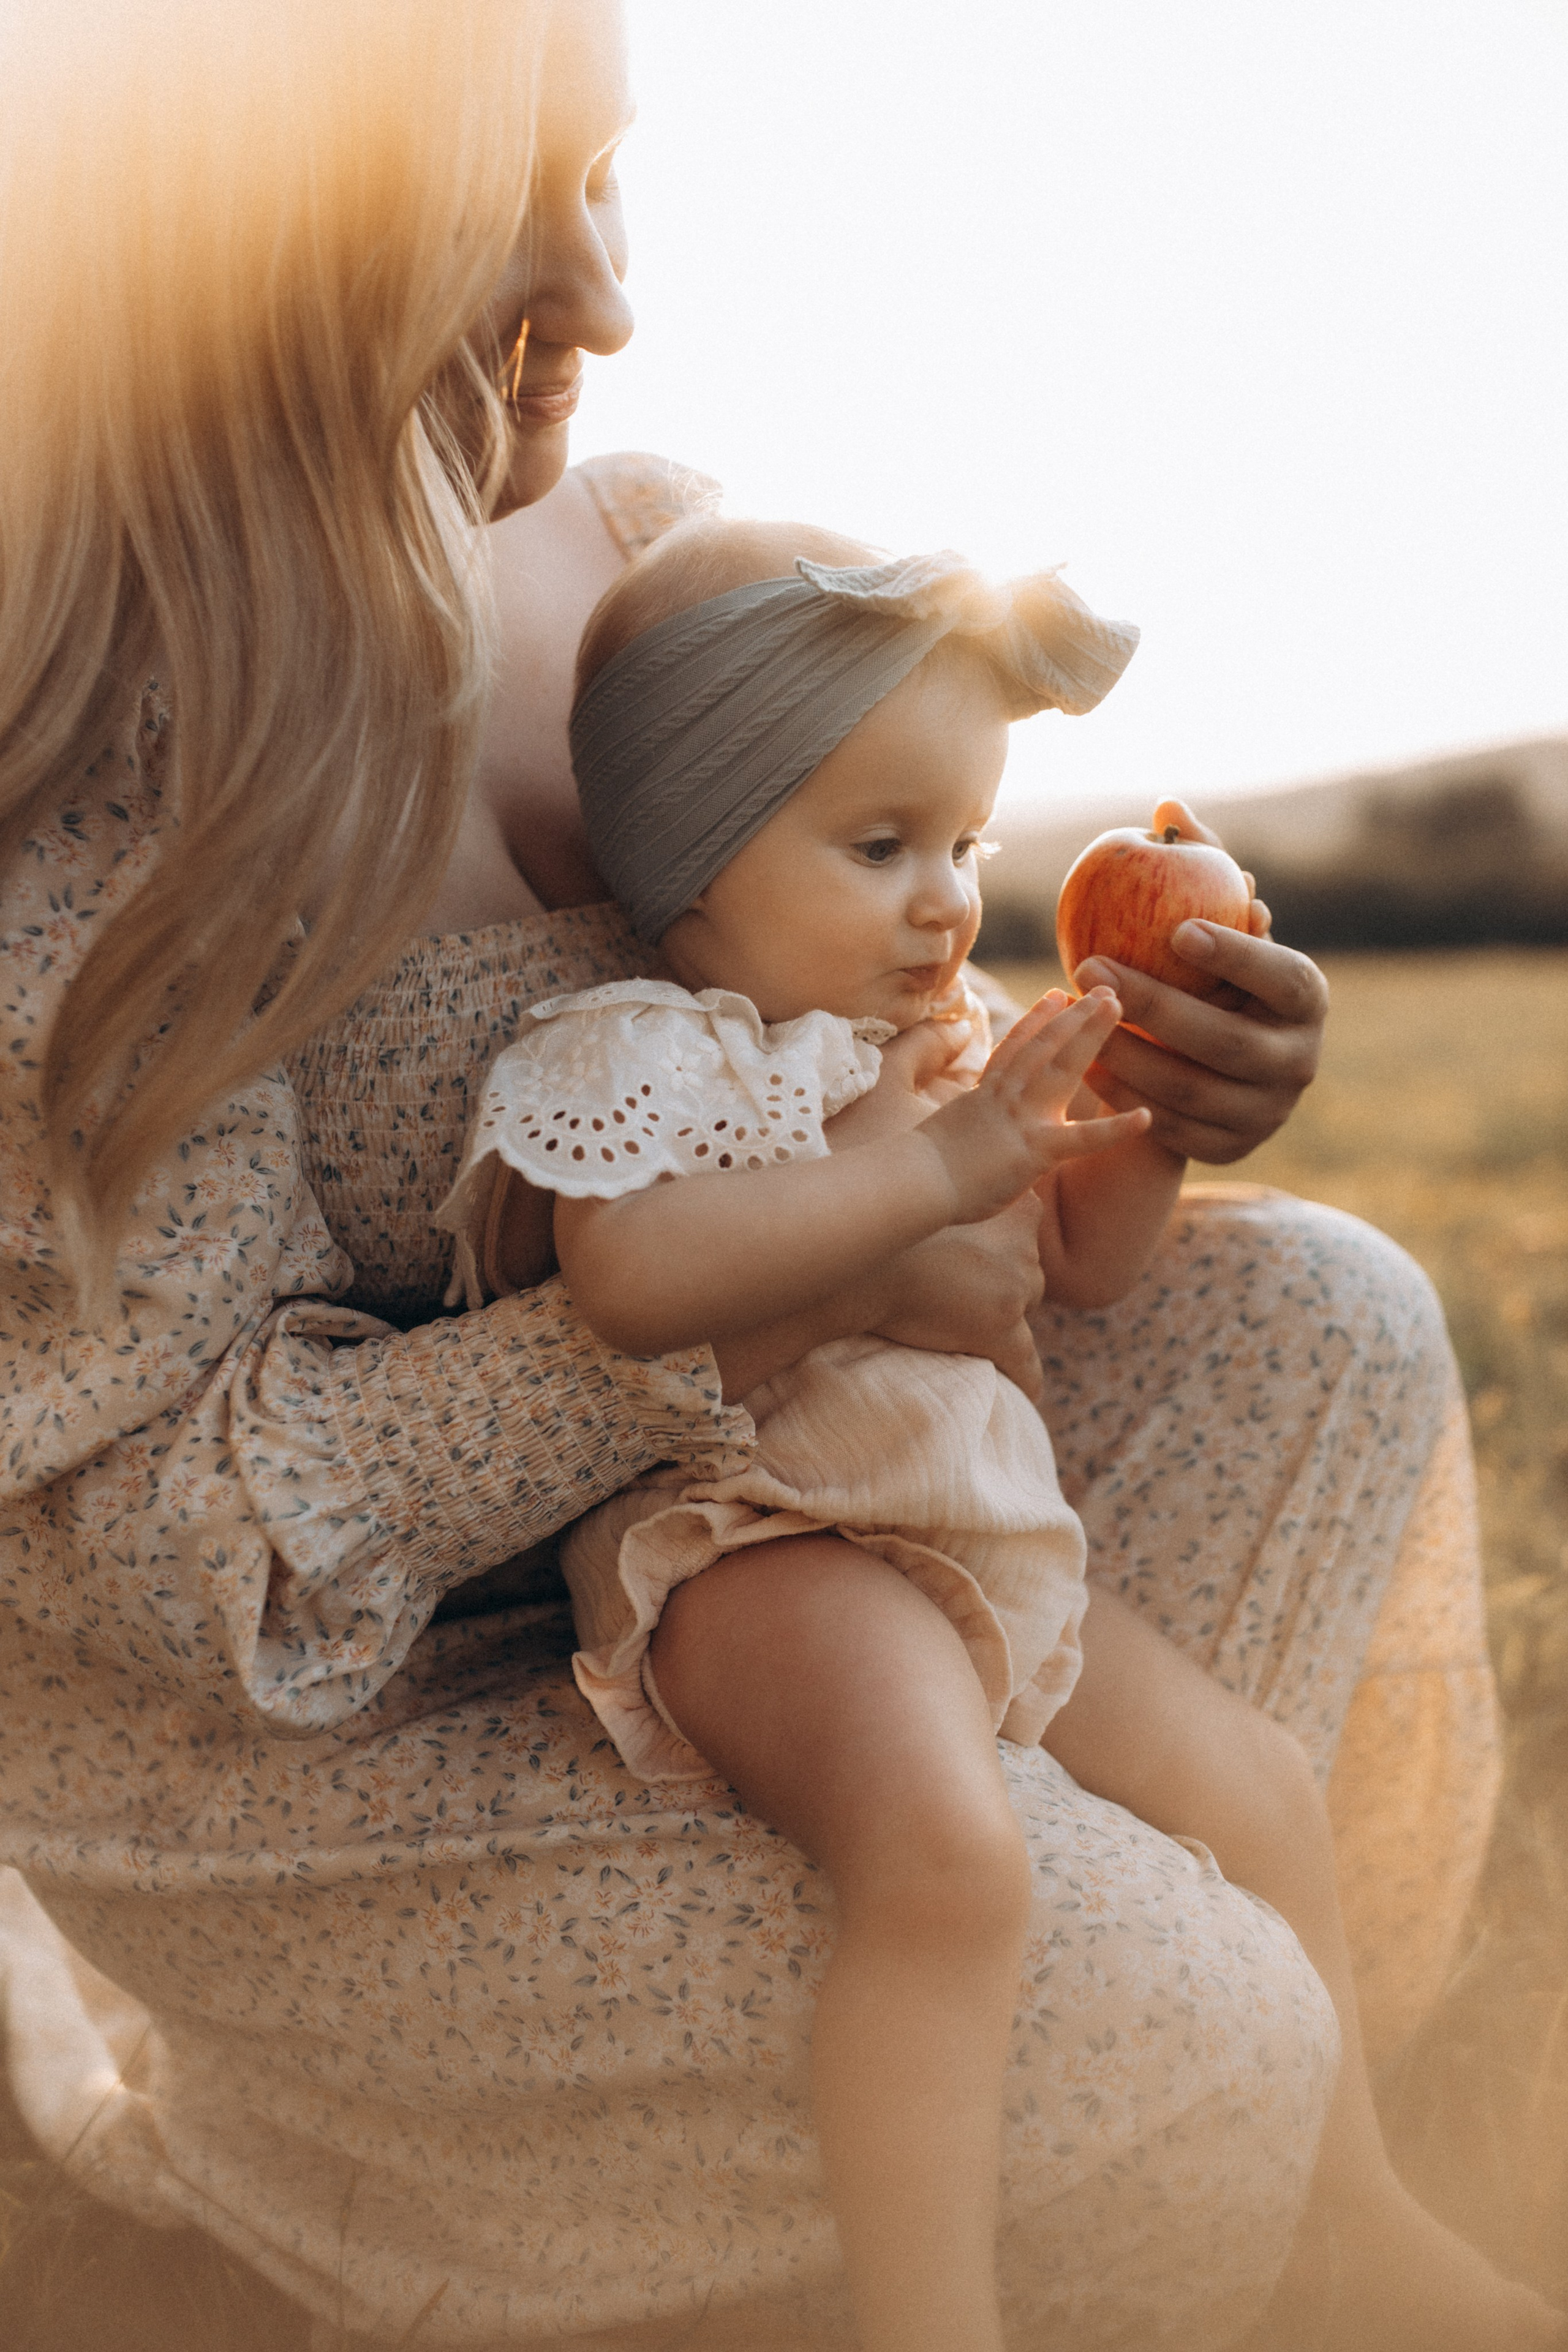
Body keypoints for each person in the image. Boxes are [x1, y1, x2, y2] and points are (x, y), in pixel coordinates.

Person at [0, 2, 1513, 2345]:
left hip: (803, 1498)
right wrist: (773, 1316)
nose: (605, 299)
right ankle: (919, 2126)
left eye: (612, 178)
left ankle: (1079, 2014)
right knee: (1180, 2033)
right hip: (337, 1722)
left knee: (1329, 1314)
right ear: (248, 238)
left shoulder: (631, 550)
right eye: (498, 222)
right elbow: (152, 1562)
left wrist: (1167, 1069)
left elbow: (865, 963)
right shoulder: (119, 720)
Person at [435, 511, 1561, 2352]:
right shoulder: (642, 1050)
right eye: (881, 847)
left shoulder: (953, 1037)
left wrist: (1139, 1129)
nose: (950, 898)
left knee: (1260, 1785)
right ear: (686, 854)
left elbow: (1079, 1271)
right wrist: (944, 1162)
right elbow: (633, 1279)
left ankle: (1351, 2214)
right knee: (950, 1863)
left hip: (955, 1540)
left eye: (962, 840)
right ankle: (927, 2318)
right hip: (764, 1540)